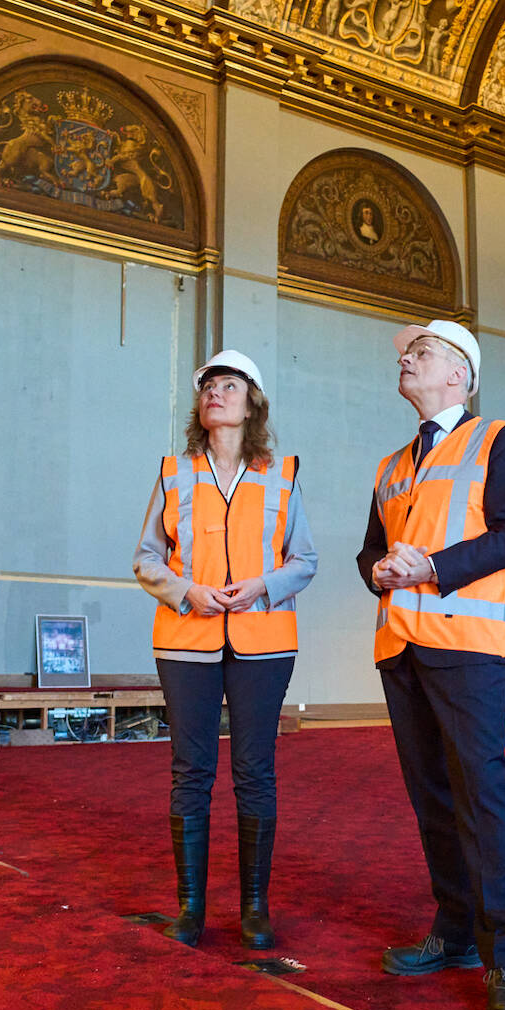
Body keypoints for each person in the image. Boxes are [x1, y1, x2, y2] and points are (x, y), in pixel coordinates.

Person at [356, 319, 505, 1010]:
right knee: (432, 799)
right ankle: (455, 932)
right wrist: (376, 571)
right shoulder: (391, 465)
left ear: (458, 373)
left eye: (420, 352)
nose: (407, 359)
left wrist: (433, 568)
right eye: (406, 353)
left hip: (466, 645)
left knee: (479, 797)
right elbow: (370, 551)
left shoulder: (500, 439)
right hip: (399, 647)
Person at [133, 350, 317, 949]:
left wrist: (264, 585)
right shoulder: (174, 472)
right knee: (191, 771)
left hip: (264, 641)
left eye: (229, 384)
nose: (216, 392)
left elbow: (305, 561)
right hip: (187, 640)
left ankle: (255, 910)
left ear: (251, 401)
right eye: (209, 385)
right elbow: (145, 557)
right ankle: (190, 910)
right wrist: (188, 592)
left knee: (254, 771)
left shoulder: (281, 473)